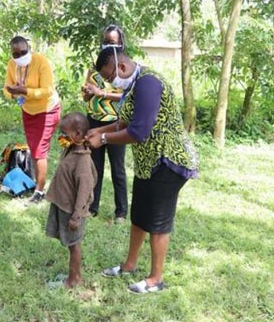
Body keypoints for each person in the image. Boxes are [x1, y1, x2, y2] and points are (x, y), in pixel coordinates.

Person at [85, 47, 199, 294]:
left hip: (167, 161)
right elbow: (125, 122)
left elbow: (138, 132)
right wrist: (101, 130)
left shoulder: (148, 83)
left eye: (109, 76)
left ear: (122, 67)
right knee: (139, 215)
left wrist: (103, 139)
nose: (109, 82)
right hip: (148, 162)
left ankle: (155, 279)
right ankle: (129, 265)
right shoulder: (132, 85)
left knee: (157, 220)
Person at [3, 36, 61, 205]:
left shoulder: (41, 61)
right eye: (16, 54)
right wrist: (13, 93)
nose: (20, 55)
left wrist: (26, 91)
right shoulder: (12, 65)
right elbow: (6, 88)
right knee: (34, 148)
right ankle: (38, 184)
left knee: (39, 151)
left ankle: (40, 191)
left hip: (47, 109)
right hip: (28, 110)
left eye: (23, 51)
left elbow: (47, 90)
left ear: (29, 48)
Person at [81, 24, 128, 223]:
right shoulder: (94, 69)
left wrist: (103, 93)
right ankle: (92, 207)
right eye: (106, 42)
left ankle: (121, 212)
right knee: (95, 168)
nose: (108, 45)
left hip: (116, 123)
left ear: (121, 44)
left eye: (113, 42)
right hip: (94, 121)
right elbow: (86, 97)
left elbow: (126, 97)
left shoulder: (125, 69)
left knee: (118, 169)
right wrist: (87, 93)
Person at [45, 112, 97, 289]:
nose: (62, 137)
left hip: (72, 210)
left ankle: (74, 280)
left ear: (78, 134)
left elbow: (85, 189)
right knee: (70, 243)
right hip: (63, 204)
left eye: (65, 133)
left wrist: (77, 215)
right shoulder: (71, 150)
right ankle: (73, 275)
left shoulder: (82, 160)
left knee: (74, 244)